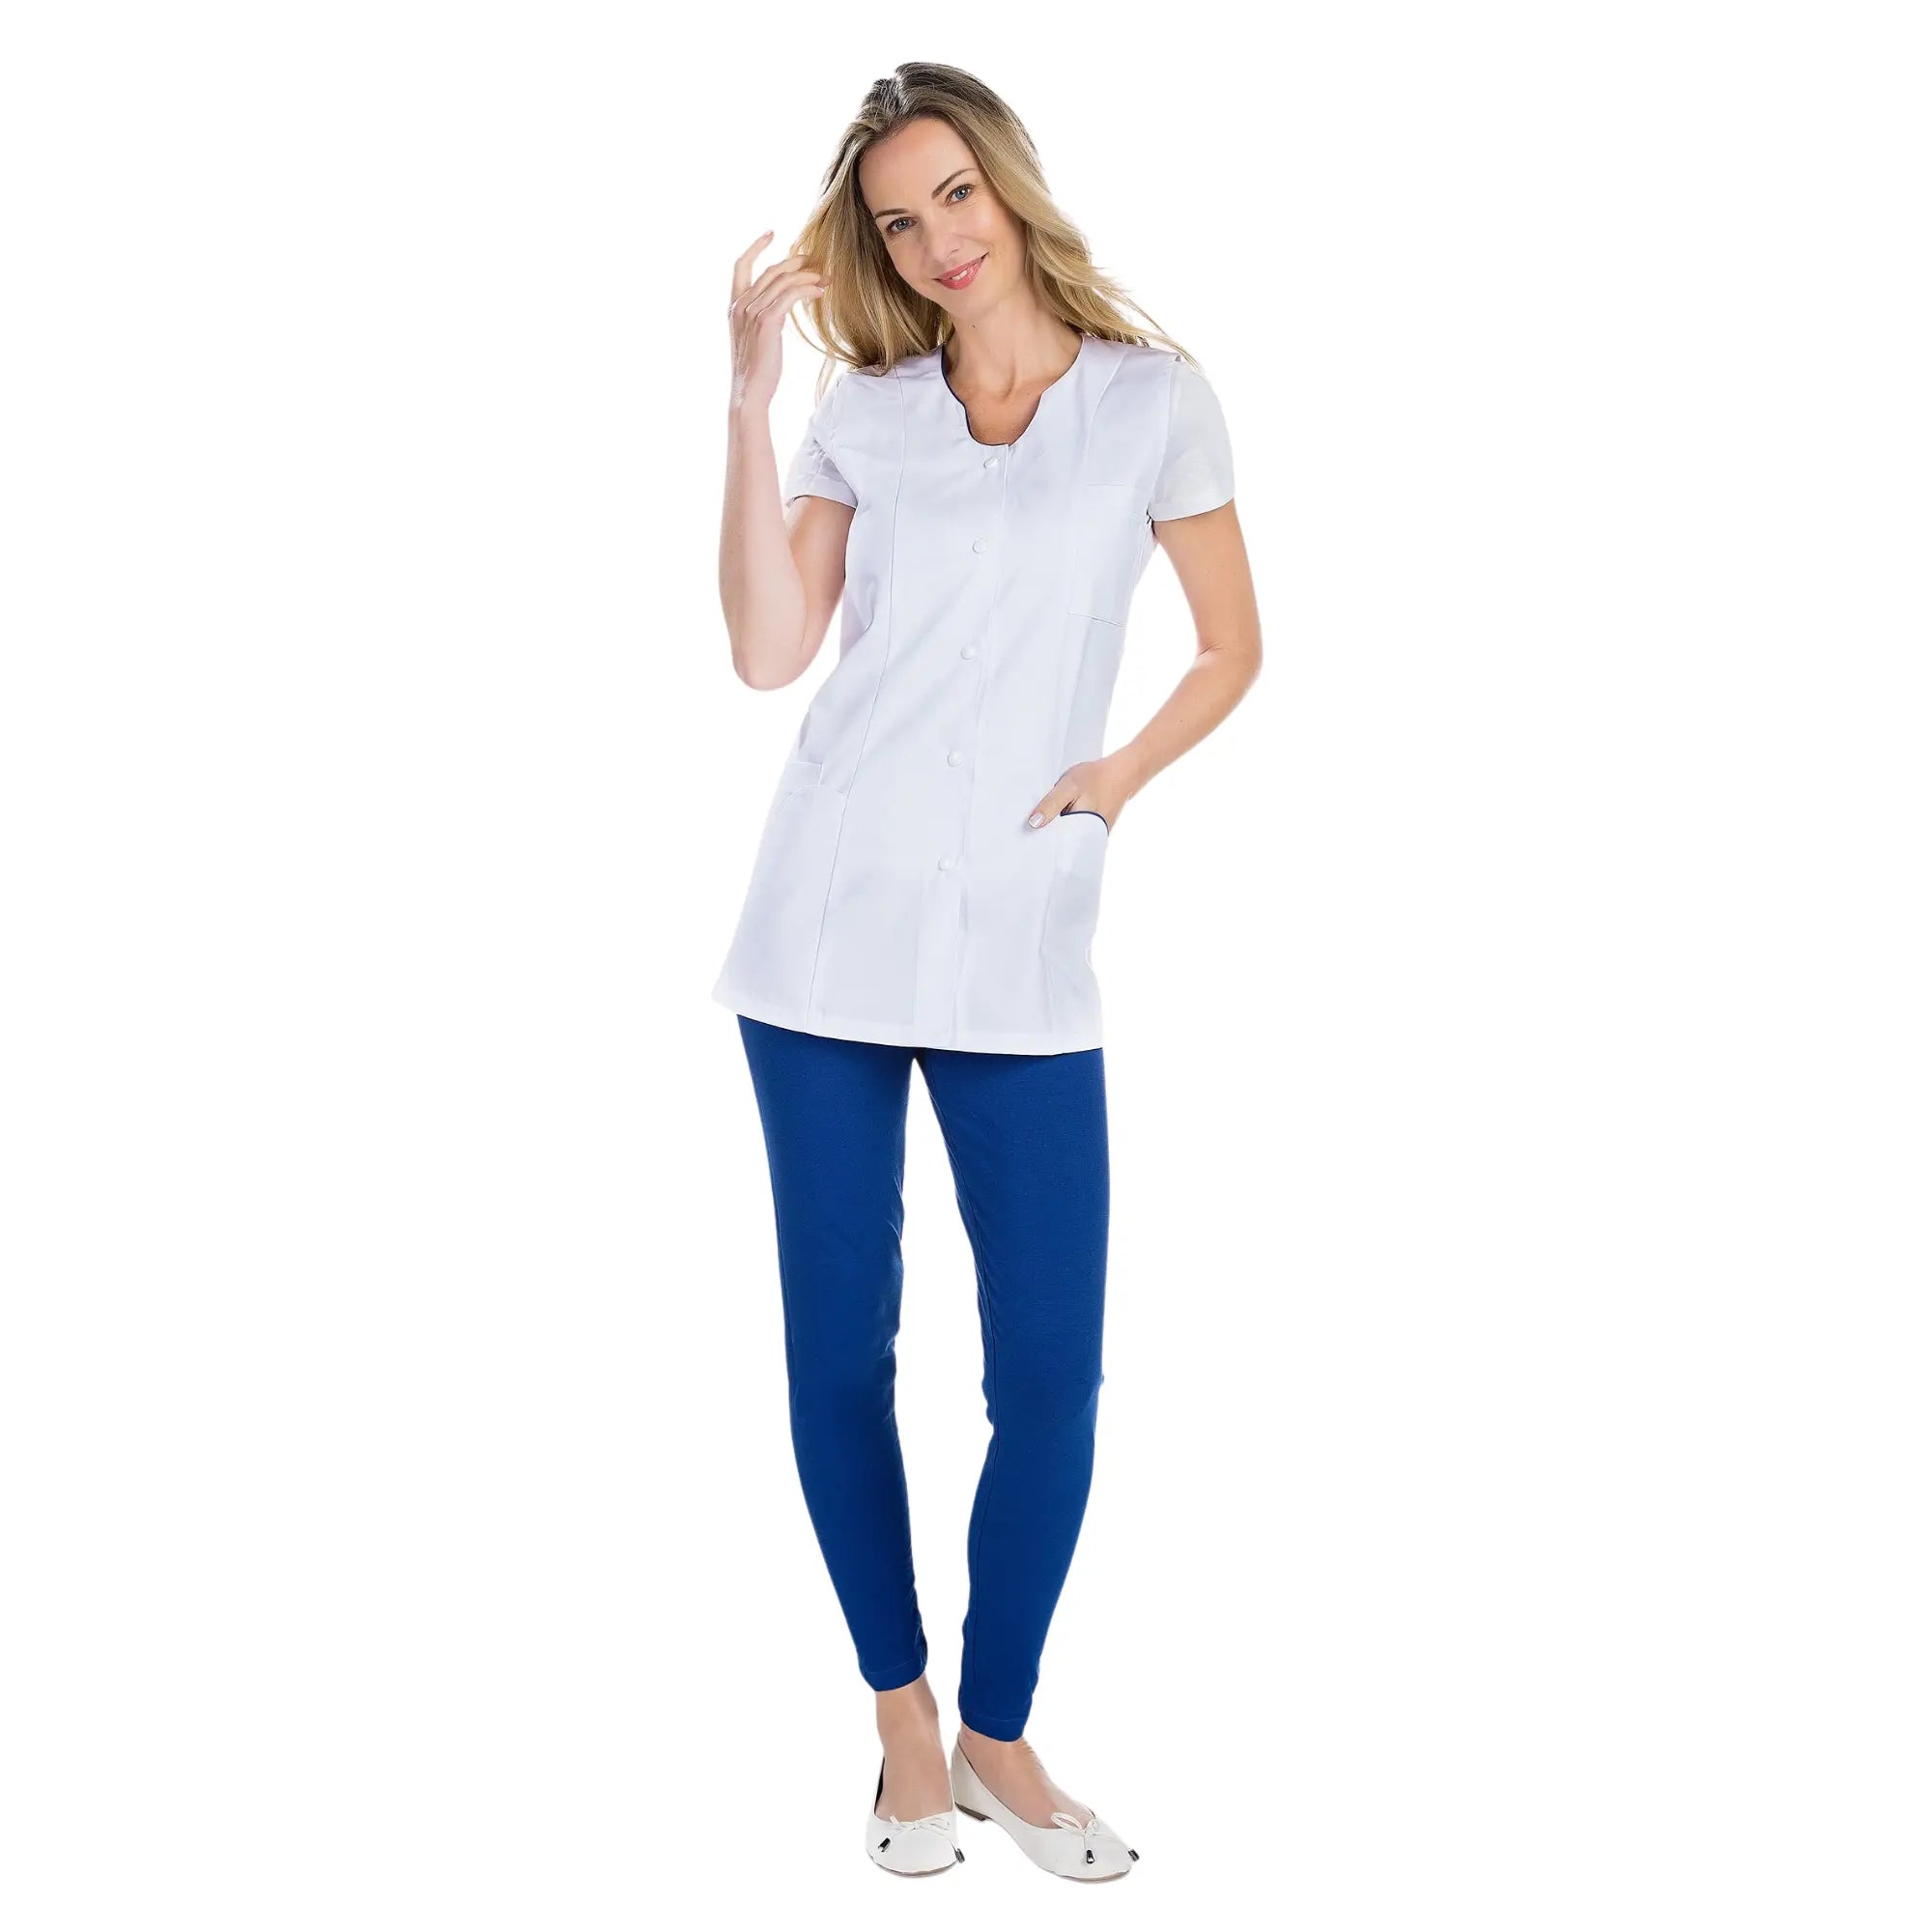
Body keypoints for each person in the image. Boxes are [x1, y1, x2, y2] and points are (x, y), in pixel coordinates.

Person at [712, 62, 1262, 1881]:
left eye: (954, 194)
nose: (937, 240)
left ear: (1008, 184)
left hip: (1025, 945)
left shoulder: (1153, 402)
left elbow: (1232, 644)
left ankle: (999, 1733)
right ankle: (902, 1722)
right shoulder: (865, 419)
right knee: (839, 1350)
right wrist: (746, 403)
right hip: (821, 934)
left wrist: (1119, 776)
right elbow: (769, 650)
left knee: (1051, 1375)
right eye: (898, 221)